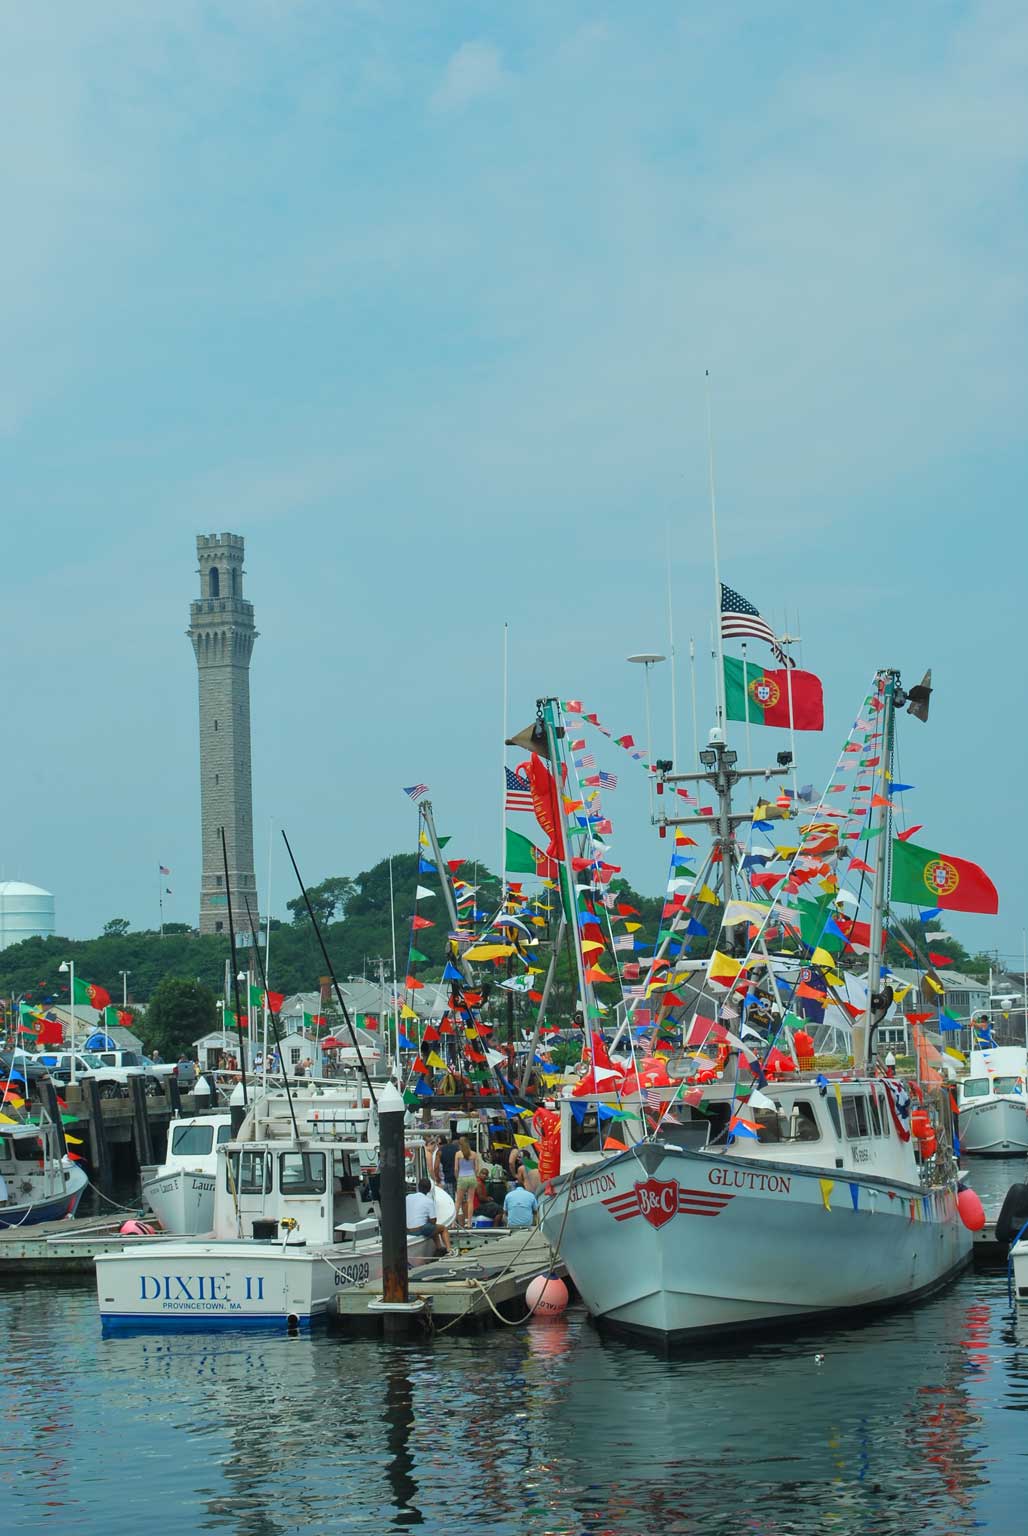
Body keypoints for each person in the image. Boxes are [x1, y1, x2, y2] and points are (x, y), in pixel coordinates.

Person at [405, 1178, 450, 1255]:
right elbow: (433, 1220)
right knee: (442, 1228)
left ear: (418, 1187)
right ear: (429, 1190)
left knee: (433, 1228)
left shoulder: (408, 1197)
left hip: (407, 1229)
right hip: (419, 1229)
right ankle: (449, 1250)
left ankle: (439, 1248)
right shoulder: (428, 1201)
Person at [454, 1136, 481, 1228]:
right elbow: (477, 1168)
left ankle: (453, 1223)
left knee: (458, 1201)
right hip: (472, 1177)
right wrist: (474, 1175)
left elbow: (456, 1168)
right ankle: (469, 1222)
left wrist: (457, 1178)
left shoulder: (458, 1154)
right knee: (470, 1201)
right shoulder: (474, 1154)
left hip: (462, 1177)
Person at [438, 1132, 460, 1198]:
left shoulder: (440, 1151)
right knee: (461, 1199)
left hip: (447, 1178)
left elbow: (436, 1167)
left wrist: (437, 1178)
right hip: (458, 1176)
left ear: (439, 1144)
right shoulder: (456, 1148)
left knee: (450, 1198)